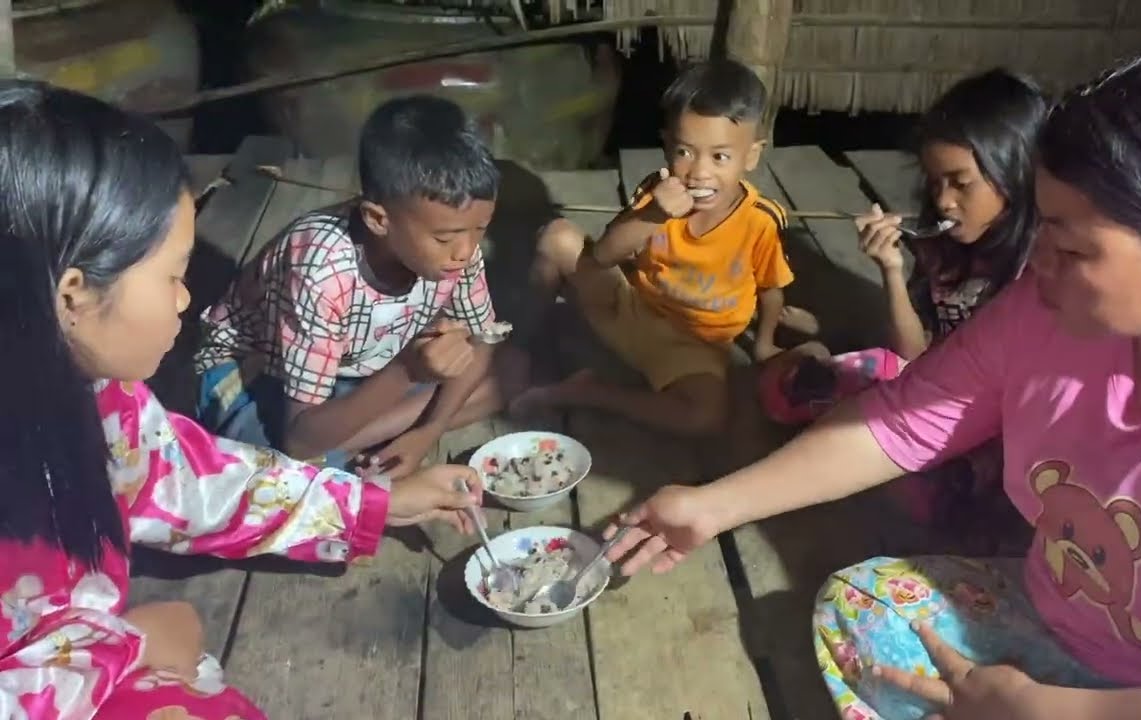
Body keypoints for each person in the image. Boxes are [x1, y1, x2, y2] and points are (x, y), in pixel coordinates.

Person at [606, 49, 1141, 720]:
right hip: (1057, 621)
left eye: (1072, 247)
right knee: (860, 610)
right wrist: (714, 506)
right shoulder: (1045, 312)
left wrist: (1041, 713)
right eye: (1042, 224)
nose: (1037, 258)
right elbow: (899, 423)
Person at [0, 81, 483, 719]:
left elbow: (190, 480)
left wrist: (372, 504)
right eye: (174, 275)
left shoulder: (102, 403)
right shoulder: (321, 267)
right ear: (71, 296)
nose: (185, 301)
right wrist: (121, 647)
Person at [758, 70, 1045, 542]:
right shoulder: (945, 249)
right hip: (925, 389)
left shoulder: (1036, 271)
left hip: (990, 426)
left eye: (961, 183)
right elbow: (916, 355)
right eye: (935, 183)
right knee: (779, 392)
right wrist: (891, 269)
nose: (944, 201)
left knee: (920, 496)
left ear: (1015, 172)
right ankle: (812, 355)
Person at [196, 95, 529, 479]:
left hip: (362, 372)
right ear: (377, 219)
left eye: (480, 230)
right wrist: (409, 370)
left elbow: (481, 338)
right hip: (257, 380)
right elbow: (299, 438)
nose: (467, 251)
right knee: (291, 456)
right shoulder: (321, 271)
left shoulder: (456, 245)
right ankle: (322, 458)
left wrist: (428, 432)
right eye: (444, 238)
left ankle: (346, 447)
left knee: (511, 369)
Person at [514, 58, 795, 436]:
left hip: (694, 348)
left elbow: (771, 287)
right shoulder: (657, 193)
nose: (699, 172)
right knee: (557, 238)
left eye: (720, 157)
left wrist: (764, 345)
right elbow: (603, 255)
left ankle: (592, 393)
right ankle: (521, 346)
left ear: (752, 155)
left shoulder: (761, 219)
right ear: (666, 145)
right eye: (685, 152)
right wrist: (655, 215)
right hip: (627, 310)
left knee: (706, 417)